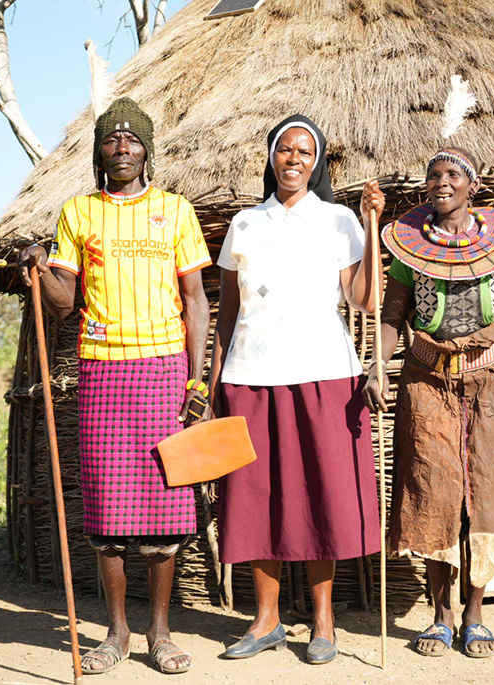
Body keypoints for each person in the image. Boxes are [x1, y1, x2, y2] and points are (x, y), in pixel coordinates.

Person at [18, 97, 211, 676]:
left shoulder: (175, 211)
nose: (122, 148)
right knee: (105, 508)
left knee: (164, 508)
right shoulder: (78, 214)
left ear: (147, 150)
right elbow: (62, 304)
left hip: (163, 368)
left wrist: (197, 381)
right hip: (102, 369)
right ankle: (116, 633)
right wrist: (40, 266)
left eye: (132, 140)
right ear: (99, 152)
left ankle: (159, 632)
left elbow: (196, 300)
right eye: (111, 140)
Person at [208, 114, 384, 665]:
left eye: (306, 152)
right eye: (286, 150)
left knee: (320, 493)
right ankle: (265, 620)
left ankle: (323, 621)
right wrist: (214, 383)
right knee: (258, 496)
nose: (294, 160)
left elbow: (365, 300)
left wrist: (372, 225)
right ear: (271, 157)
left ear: (318, 162)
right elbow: (228, 313)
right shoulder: (244, 224)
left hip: (323, 371)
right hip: (251, 377)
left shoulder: (338, 222)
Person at [363, 146, 494, 658]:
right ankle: (440, 615)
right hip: (427, 384)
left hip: (490, 384)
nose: (441, 183)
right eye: (434, 175)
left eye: (452, 175)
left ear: (473, 184)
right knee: (434, 491)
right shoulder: (407, 248)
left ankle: (474, 613)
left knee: (484, 495)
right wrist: (377, 365)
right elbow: (391, 318)